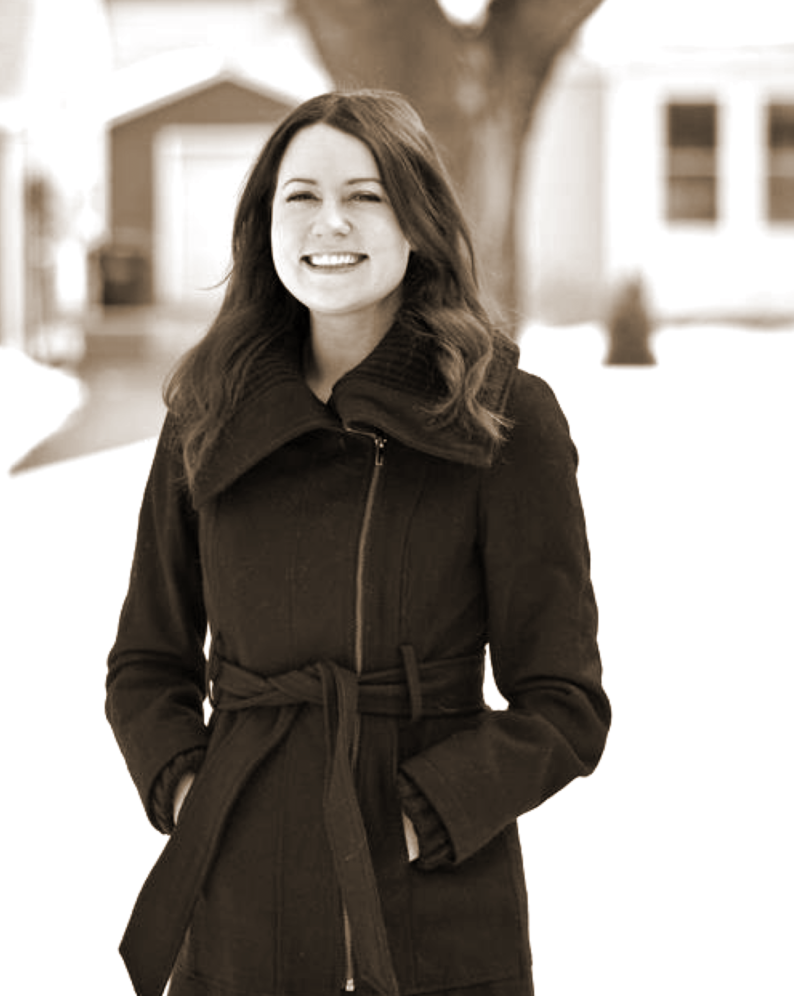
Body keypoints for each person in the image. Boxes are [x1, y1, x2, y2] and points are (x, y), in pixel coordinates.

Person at [105, 89, 611, 996]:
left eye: (365, 195)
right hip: (239, 893)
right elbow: (147, 661)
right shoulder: (206, 415)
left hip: (430, 906)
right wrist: (188, 790)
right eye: (300, 195)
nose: (328, 221)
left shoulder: (502, 417)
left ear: (416, 220)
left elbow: (565, 703)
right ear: (266, 223)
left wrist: (420, 813)